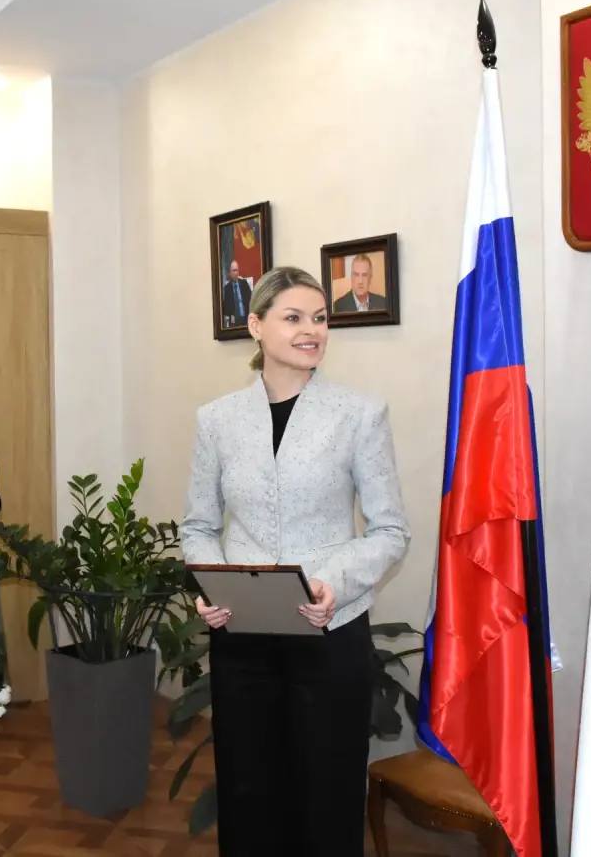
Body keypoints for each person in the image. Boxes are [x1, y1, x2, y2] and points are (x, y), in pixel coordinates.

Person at [182, 266, 411, 855]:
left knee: (327, 798)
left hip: (328, 635)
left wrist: (333, 582)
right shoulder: (217, 420)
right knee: (249, 795)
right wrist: (212, 586)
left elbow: (390, 531)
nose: (312, 330)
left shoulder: (359, 414)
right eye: (294, 318)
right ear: (256, 326)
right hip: (243, 638)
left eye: (320, 318)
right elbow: (199, 527)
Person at [222, 259, 256, 327]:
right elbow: (227, 309)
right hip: (234, 322)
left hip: (246, 319)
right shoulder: (227, 288)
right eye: (234, 270)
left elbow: (251, 300)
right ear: (229, 272)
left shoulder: (244, 284)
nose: (236, 273)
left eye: (237, 270)